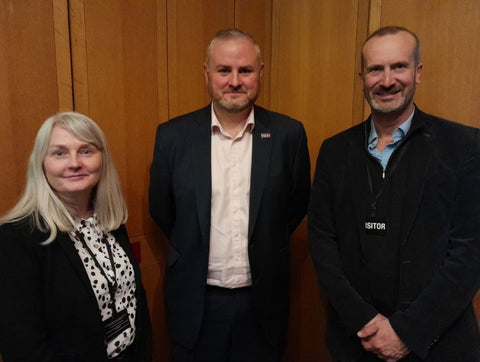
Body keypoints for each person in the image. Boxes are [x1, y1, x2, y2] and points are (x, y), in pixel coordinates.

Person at [308, 25, 480, 362]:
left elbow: (470, 253)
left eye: (398, 66)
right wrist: (366, 322)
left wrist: (407, 331)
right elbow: (322, 241)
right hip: (356, 343)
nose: (387, 80)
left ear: (418, 73)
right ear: (362, 77)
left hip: (438, 345)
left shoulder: (464, 147)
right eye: (375, 69)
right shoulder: (334, 151)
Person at [149, 28, 310, 361]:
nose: (235, 81)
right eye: (224, 70)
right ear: (207, 73)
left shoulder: (287, 135)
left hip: (262, 304)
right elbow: (163, 211)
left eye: (245, 71)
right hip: (197, 304)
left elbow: (296, 205)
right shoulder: (172, 137)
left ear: (260, 73)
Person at [0, 112, 152, 361]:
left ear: (102, 160)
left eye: (86, 151)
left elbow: (134, 302)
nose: (74, 163)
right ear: (41, 163)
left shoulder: (110, 220)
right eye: (59, 153)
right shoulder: (17, 238)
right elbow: (22, 348)